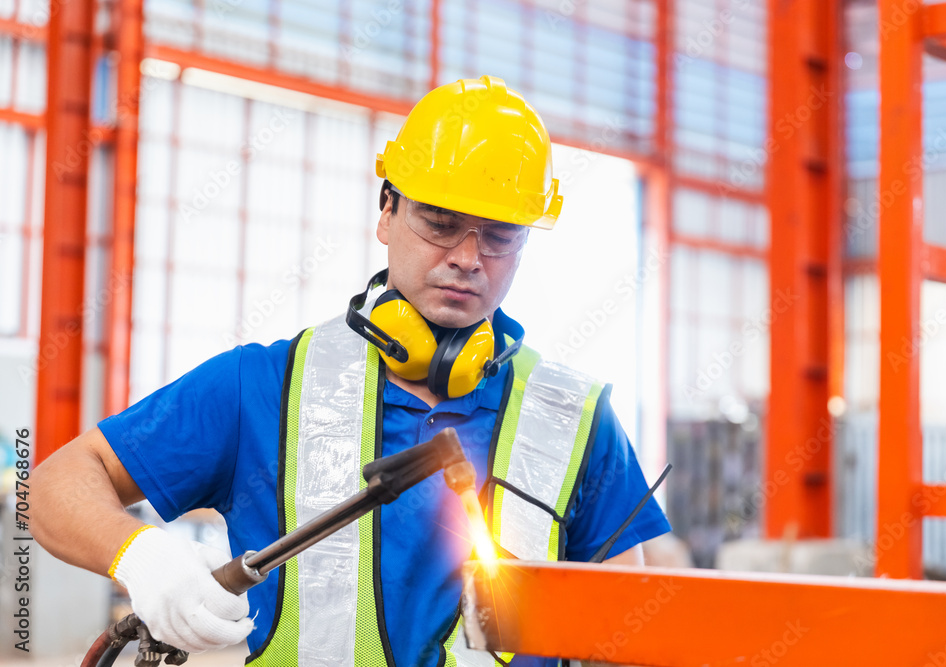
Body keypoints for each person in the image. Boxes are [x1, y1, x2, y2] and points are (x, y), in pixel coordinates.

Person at [33, 75, 670, 667]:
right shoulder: (261, 390)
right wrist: (142, 556)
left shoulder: (575, 419)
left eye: (499, 236)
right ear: (386, 212)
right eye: (440, 223)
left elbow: (627, 627)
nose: (468, 258)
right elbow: (57, 486)